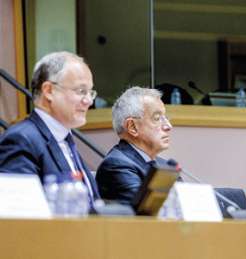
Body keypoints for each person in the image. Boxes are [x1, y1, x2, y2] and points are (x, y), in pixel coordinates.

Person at [0, 51, 99, 200]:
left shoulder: (65, 139)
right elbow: (22, 214)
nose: (89, 101)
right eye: (81, 91)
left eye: (90, 92)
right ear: (49, 91)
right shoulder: (21, 139)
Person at [96, 86, 172, 205]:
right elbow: (146, 211)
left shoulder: (164, 165)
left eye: (166, 118)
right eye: (157, 118)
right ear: (132, 127)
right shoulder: (117, 166)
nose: (168, 126)